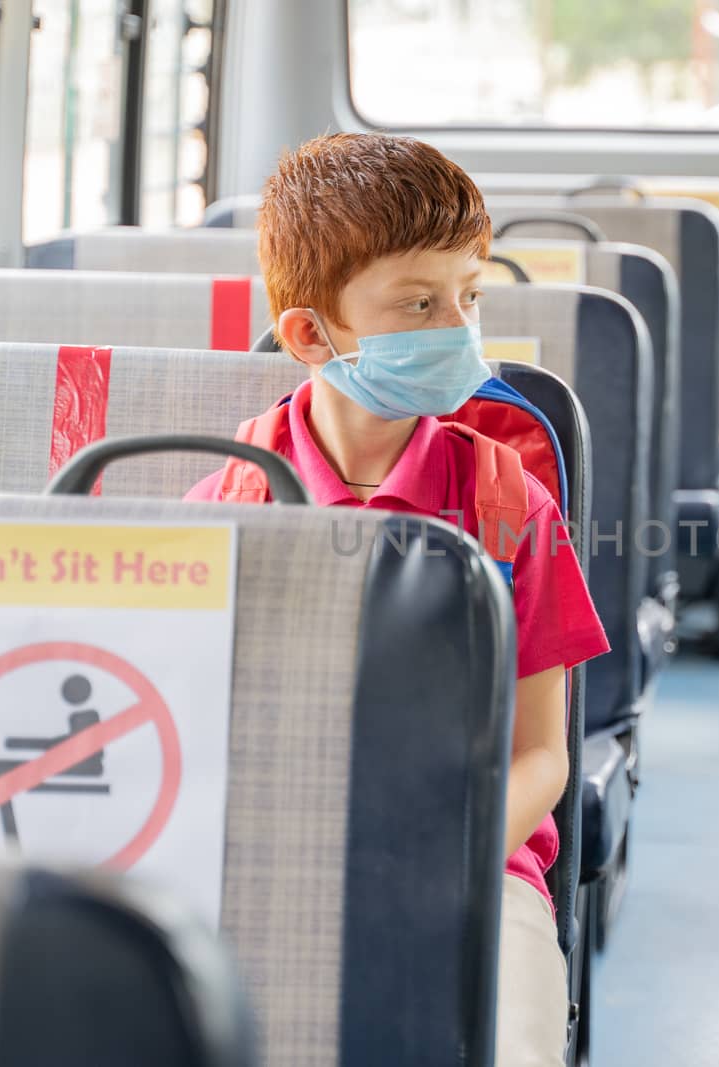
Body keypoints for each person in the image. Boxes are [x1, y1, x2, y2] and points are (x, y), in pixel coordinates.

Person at [185, 132, 609, 1065]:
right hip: (267, 859)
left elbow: (544, 752)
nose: (457, 328)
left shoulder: (508, 503)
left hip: (475, 865)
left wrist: (437, 856)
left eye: (469, 297)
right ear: (311, 334)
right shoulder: (233, 502)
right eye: (420, 304)